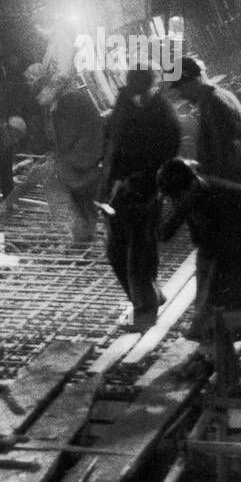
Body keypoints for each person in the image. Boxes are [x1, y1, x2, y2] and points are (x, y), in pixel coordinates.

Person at [156, 157, 241, 363]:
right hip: (235, 244)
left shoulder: (221, 199)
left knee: (234, 298)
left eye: (178, 196)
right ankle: (213, 335)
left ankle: (231, 350)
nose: (175, 201)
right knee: (214, 288)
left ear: (191, 184)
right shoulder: (191, 192)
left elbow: (231, 250)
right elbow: (167, 231)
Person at [100, 67, 181, 330]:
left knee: (139, 251)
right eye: (135, 93)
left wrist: (148, 181)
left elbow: (166, 155)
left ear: (153, 87)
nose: (139, 97)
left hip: (146, 188)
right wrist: (109, 183)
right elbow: (111, 143)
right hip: (121, 189)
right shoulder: (126, 102)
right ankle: (150, 296)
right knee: (119, 251)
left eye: (143, 93)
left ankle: (145, 310)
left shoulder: (164, 115)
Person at [169, 55, 241, 186]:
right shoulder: (223, 96)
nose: (181, 95)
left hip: (229, 188)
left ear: (195, 81)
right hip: (237, 185)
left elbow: (223, 155)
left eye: (182, 88)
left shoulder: (213, 104)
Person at [43, 73, 105, 246]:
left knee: (79, 197)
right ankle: (85, 236)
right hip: (89, 157)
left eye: (40, 92)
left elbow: (67, 136)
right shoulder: (71, 100)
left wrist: (59, 159)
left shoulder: (66, 104)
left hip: (81, 158)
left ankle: (82, 239)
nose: (38, 97)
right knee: (84, 198)